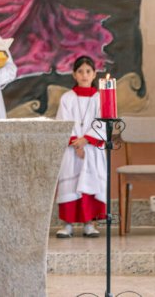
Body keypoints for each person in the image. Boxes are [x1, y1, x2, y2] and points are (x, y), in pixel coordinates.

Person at [55, 55, 107, 238]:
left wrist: (86, 140)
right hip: (72, 150)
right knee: (70, 185)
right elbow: (63, 123)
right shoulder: (67, 98)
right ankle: (67, 225)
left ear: (94, 74)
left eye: (88, 71)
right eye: (80, 71)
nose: (84, 75)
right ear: (74, 74)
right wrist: (76, 144)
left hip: (92, 149)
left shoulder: (101, 98)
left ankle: (89, 224)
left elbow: (103, 122)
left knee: (90, 185)